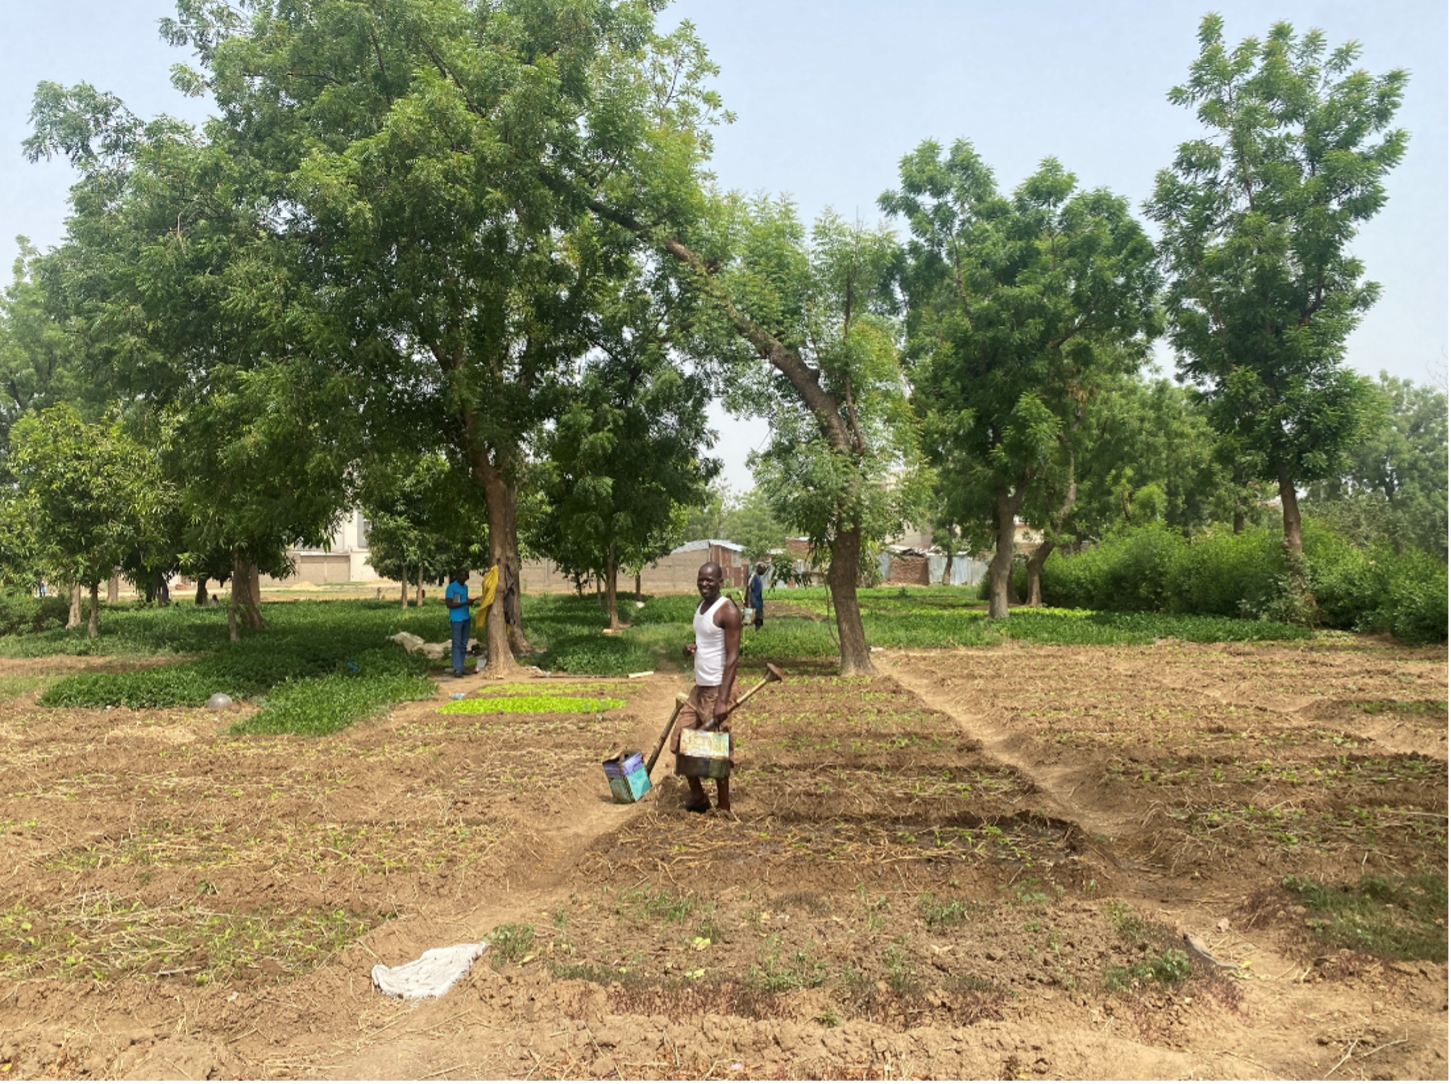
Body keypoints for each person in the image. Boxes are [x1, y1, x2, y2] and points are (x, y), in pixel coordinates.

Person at [672, 561, 742, 813]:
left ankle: (723, 806)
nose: (704, 583)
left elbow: (733, 658)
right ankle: (699, 797)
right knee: (682, 739)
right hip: (700, 687)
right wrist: (690, 648)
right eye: (701, 579)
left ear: (721, 582)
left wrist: (723, 700)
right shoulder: (701, 607)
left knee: (717, 747)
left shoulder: (728, 612)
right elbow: (707, 641)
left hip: (718, 688)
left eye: (710, 580)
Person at [444, 570, 479, 678]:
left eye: (466, 575)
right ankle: (457, 669)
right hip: (457, 620)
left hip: (466, 618)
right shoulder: (452, 588)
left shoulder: (465, 588)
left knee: (464, 644)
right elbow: (450, 604)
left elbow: (460, 600)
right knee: (457, 644)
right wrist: (465, 603)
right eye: (461, 575)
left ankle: (461, 667)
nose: (464, 577)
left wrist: (470, 601)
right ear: (458, 576)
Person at [747, 561, 767, 630]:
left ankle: (757, 634)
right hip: (752, 602)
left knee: (759, 620)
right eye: (763, 570)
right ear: (759, 569)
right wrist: (749, 603)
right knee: (747, 620)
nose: (764, 572)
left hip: (758, 603)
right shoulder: (753, 576)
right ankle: (745, 634)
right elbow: (749, 589)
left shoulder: (758, 577)